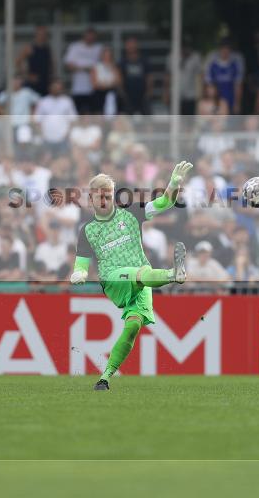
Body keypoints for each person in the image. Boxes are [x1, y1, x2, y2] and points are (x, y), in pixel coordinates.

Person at [70, 163, 193, 390]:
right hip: (113, 279)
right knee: (141, 274)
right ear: (91, 200)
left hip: (142, 279)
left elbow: (165, 202)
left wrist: (174, 184)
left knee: (132, 328)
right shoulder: (87, 231)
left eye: (107, 195)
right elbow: (81, 264)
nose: (104, 200)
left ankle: (104, 378)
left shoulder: (132, 213)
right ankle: (172, 274)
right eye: (99, 196)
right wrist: (79, 273)